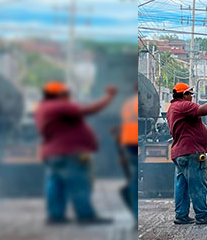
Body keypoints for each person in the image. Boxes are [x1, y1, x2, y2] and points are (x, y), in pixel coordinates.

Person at [35, 81, 117, 225]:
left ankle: (55, 216)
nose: (68, 95)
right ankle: (85, 215)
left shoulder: (43, 108)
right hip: (69, 152)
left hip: (53, 152)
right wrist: (108, 97)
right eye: (65, 93)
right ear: (58, 94)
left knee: (56, 184)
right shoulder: (59, 106)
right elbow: (88, 110)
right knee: (79, 184)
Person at [167, 82, 207, 225]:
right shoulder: (183, 105)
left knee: (182, 185)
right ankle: (202, 214)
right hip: (191, 151)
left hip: (180, 152)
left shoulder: (172, 108)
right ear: (183, 95)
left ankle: (181, 215)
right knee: (198, 183)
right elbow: (205, 109)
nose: (191, 97)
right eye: (190, 94)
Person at [120, 86, 139, 222]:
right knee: (134, 178)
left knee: (132, 175)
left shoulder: (127, 104)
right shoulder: (137, 103)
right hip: (135, 141)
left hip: (128, 141)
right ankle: (135, 214)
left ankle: (133, 211)